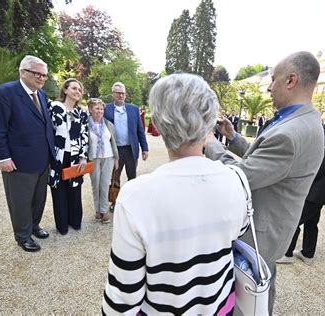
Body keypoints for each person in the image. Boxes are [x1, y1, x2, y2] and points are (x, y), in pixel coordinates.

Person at [102, 74, 249, 315]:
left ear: (157, 125)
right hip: (219, 306)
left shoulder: (136, 196)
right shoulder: (237, 179)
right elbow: (236, 235)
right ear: (209, 124)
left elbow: (123, 295)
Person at [205, 51, 325, 313]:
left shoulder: (293, 133)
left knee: (248, 302)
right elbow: (267, 164)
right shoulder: (302, 121)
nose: (269, 87)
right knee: (259, 296)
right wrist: (234, 138)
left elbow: (241, 176)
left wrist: (210, 144)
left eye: (274, 79)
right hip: (270, 235)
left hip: (258, 237)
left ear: (291, 80)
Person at [0, 55, 54, 252]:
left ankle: (33, 226)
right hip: (18, 161)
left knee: (38, 199)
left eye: (44, 75)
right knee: (20, 201)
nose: (41, 78)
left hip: (42, 159)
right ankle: (23, 236)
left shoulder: (40, 95)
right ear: (23, 72)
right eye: (37, 74)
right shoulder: (5, 93)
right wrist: (2, 157)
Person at [277, 118, 325, 265]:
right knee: (311, 222)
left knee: (295, 221)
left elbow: (316, 172)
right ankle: (307, 253)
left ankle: (287, 253)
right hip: (322, 192)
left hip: (314, 192)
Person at [48, 78, 89, 235]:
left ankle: (75, 221)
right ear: (65, 90)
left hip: (75, 157)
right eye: (74, 88)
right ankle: (62, 225)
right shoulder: (53, 107)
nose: (77, 91)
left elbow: (84, 135)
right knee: (58, 191)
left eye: (79, 90)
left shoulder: (81, 112)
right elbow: (48, 132)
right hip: (58, 156)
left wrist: (83, 156)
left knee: (75, 189)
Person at [104, 82, 149, 187]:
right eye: (118, 93)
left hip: (131, 150)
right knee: (114, 177)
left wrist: (145, 148)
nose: (121, 95)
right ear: (113, 94)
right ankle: (114, 200)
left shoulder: (133, 109)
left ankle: (131, 199)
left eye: (123, 93)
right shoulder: (106, 109)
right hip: (115, 150)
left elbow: (140, 130)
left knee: (132, 178)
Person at [87, 98, 119, 224]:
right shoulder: (85, 124)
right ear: (90, 109)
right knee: (96, 185)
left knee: (105, 184)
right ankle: (97, 210)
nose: (100, 111)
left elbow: (114, 142)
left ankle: (104, 210)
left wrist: (116, 158)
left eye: (101, 108)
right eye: (97, 108)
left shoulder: (109, 124)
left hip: (109, 157)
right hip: (93, 158)